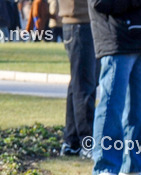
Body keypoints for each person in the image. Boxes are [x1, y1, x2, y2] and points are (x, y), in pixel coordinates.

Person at [89, 0, 141, 175]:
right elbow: (100, 3)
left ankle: (132, 168)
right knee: (111, 106)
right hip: (116, 39)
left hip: (140, 39)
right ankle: (104, 168)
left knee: (138, 109)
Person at [60, 0, 95, 156]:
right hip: (81, 22)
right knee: (83, 85)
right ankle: (86, 142)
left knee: (78, 84)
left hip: (78, 22)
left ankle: (72, 141)